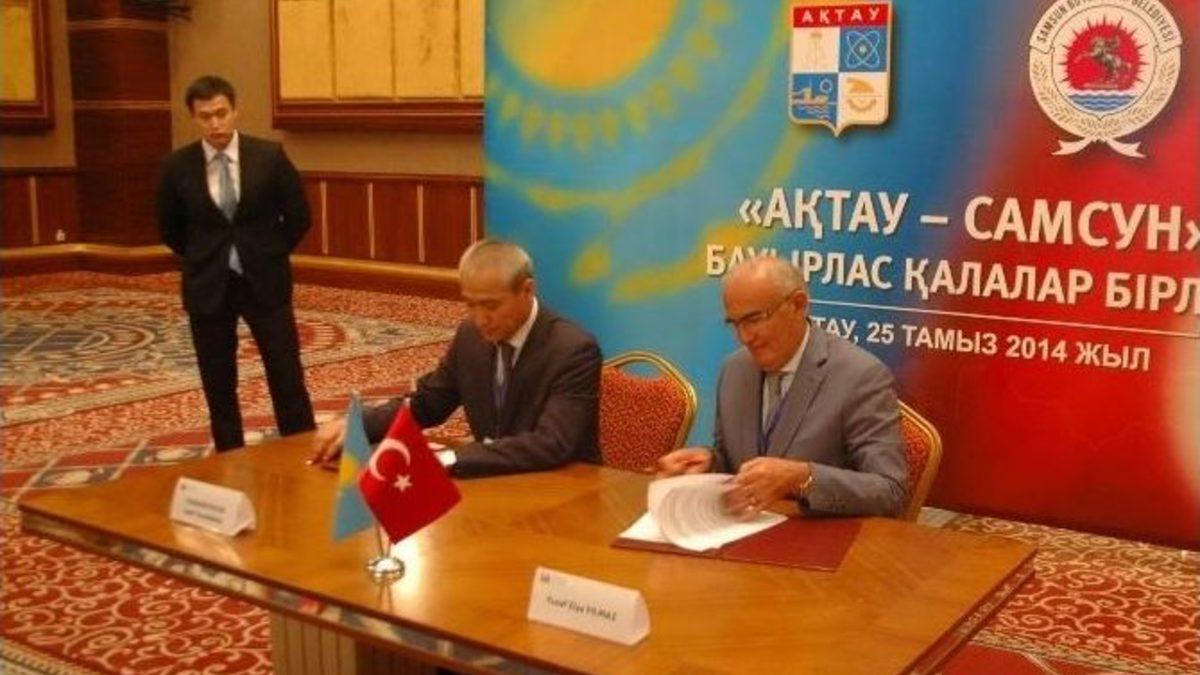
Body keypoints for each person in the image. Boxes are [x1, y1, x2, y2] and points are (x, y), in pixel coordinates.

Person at [310, 239, 602, 477]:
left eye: (490, 305)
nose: (479, 319)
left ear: (527, 290)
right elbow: (428, 403)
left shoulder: (572, 349)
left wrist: (451, 459)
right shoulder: (470, 337)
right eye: (470, 304)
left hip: (561, 487)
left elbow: (551, 444)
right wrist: (358, 424)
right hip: (492, 481)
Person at [658, 256, 907, 517]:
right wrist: (707, 464)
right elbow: (732, 460)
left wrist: (803, 478)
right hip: (743, 530)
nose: (744, 337)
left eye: (755, 319)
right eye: (735, 323)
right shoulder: (734, 370)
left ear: (798, 305)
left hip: (816, 536)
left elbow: (891, 492)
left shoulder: (860, 376)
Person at [156, 75, 315, 451]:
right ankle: (229, 454)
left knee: (286, 373)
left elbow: (299, 215)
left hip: (264, 280)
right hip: (208, 285)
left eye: (221, 113)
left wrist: (269, 251)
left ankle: (300, 447)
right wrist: (204, 256)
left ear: (234, 110)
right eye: (205, 116)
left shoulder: (269, 157)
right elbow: (170, 227)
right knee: (218, 380)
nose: (215, 123)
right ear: (194, 118)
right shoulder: (177, 166)